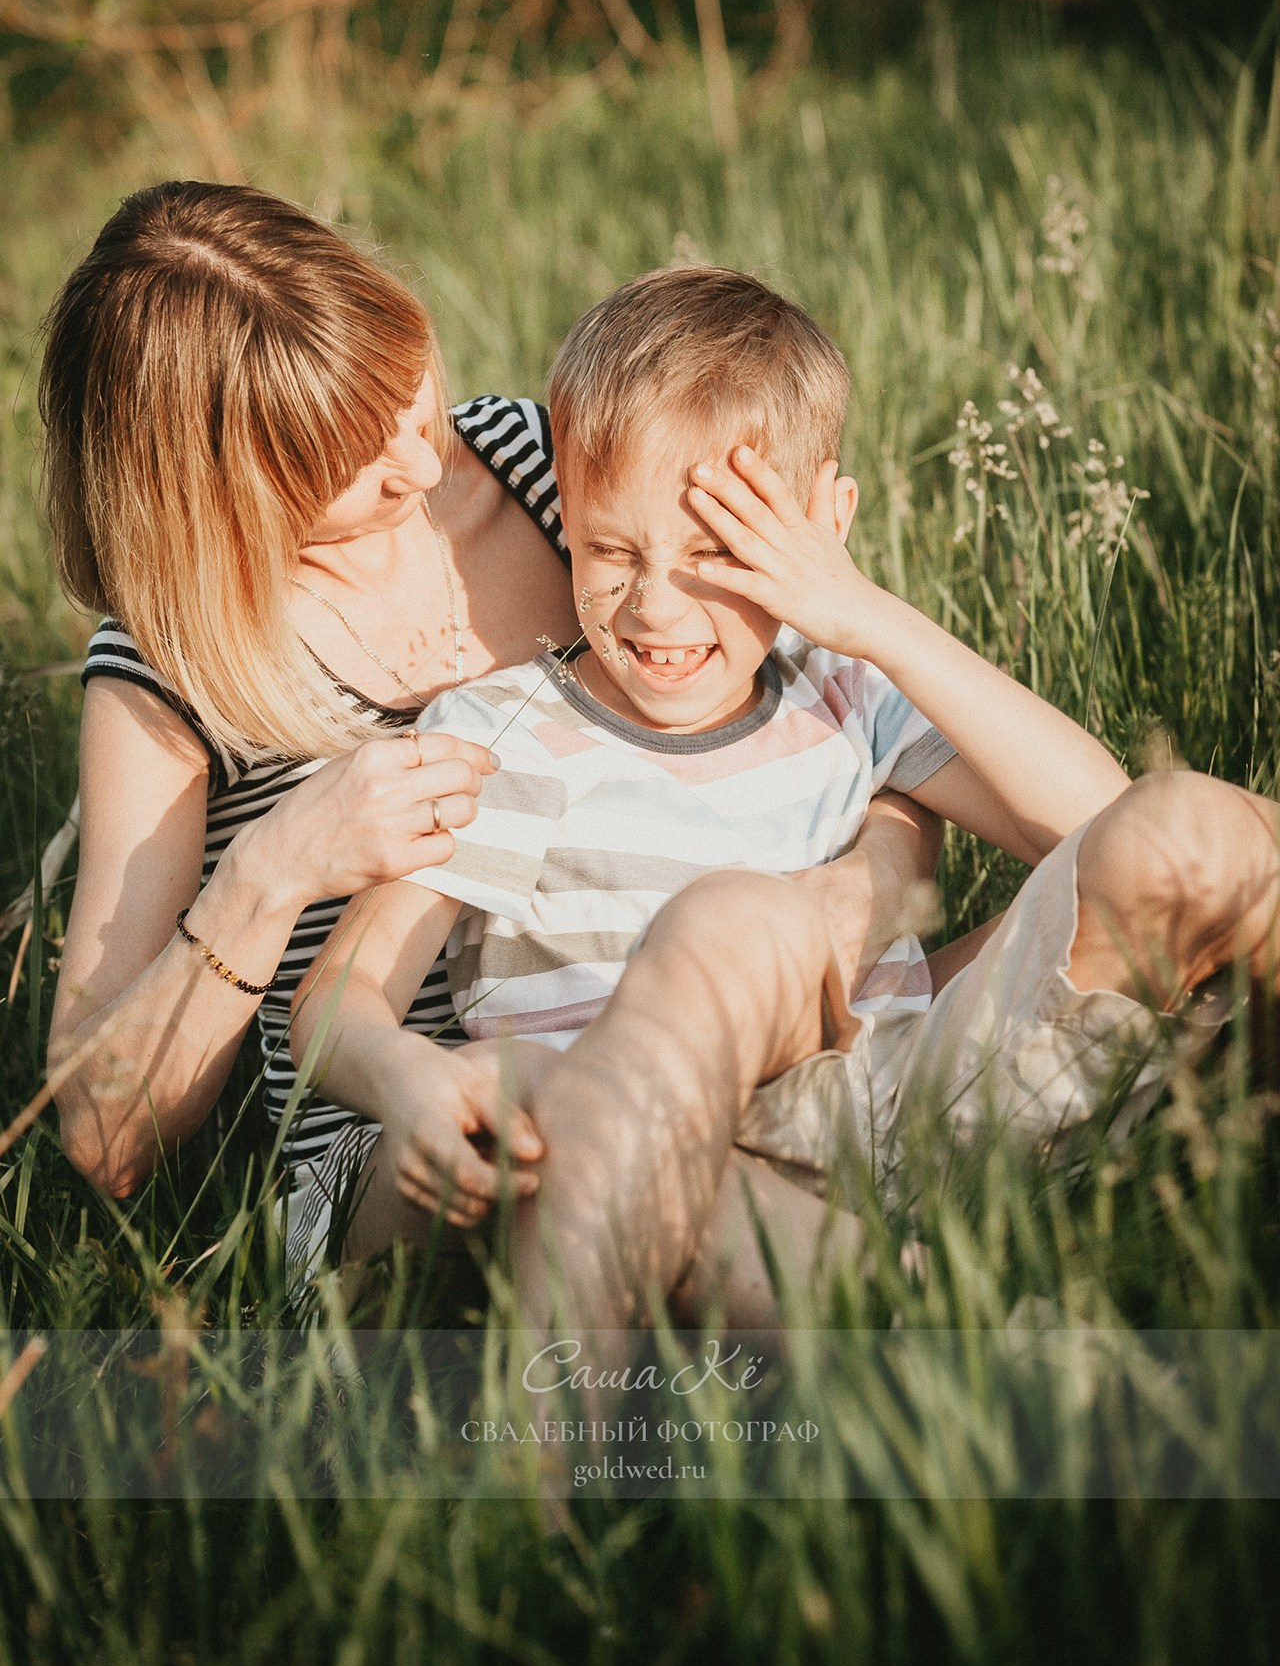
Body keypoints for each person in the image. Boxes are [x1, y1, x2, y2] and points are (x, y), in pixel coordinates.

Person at [292, 266, 1280, 1332]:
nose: (655, 604)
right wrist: (403, 1078)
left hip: (896, 1099)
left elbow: (1093, 823)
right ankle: (903, 1344)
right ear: (563, 515)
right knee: (700, 1044)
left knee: (1187, 833)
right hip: (648, 1149)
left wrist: (867, 619)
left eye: (720, 552)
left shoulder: (842, 686)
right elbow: (341, 995)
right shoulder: (507, 733)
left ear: (822, 523)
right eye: (609, 549)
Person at [38, 182, 941, 1312]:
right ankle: (961, 1362)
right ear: (212, 494)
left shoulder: (527, 457)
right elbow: (102, 1135)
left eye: (404, 392)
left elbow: (834, 694)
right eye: (345, 460)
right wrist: (270, 876)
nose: (418, 466)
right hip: (424, 1119)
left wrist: (877, 872)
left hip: (721, 1012)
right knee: (577, 1125)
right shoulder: (170, 670)